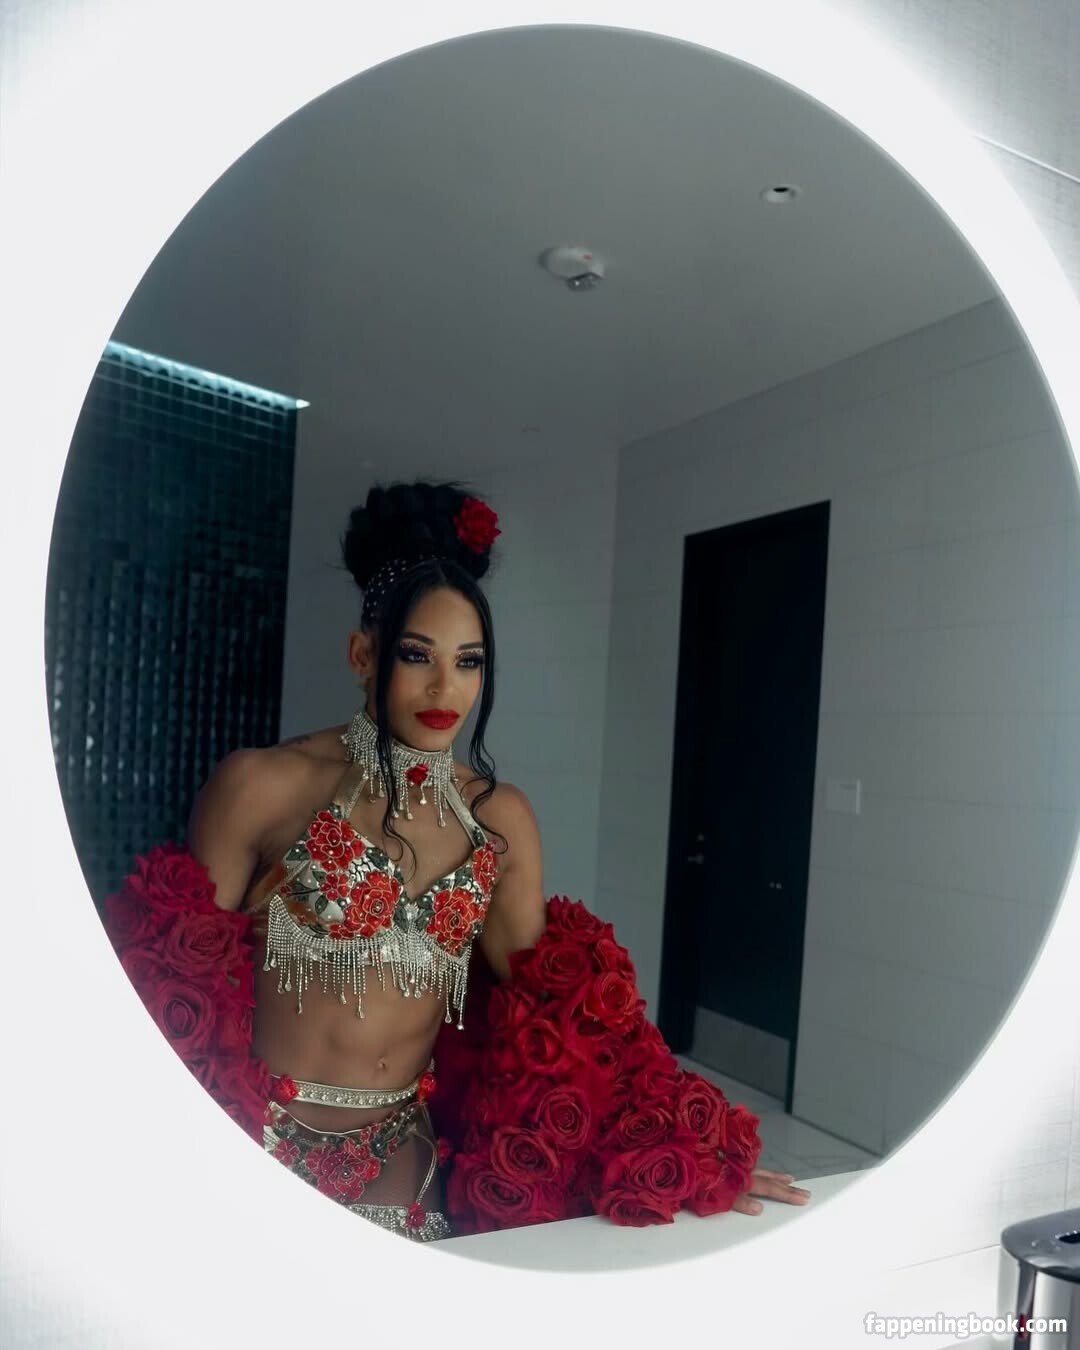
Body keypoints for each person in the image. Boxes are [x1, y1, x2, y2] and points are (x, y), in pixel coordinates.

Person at [104, 478, 810, 1241]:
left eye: (469, 662)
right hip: (255, 1148)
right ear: (362, 653)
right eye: (418, 656)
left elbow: (571, 1017)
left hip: (402, 1158)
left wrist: (695, 1147)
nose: (447, 687)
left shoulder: (498, 820)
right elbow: (169, 986)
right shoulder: (261, 786)